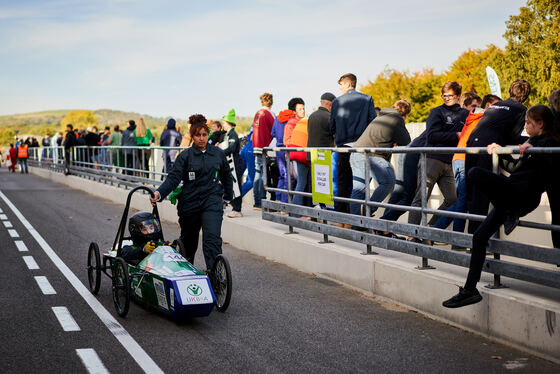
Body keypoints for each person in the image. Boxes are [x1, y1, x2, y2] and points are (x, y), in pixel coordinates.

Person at [443, 105, 560, 308]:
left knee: (475, 173)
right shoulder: (532, 142)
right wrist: (499, 152)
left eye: (529, 123)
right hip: (509, 196)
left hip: (522, 196)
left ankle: (511, 212)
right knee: (479, 237)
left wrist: (535, 153)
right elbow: (515, 168)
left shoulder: (549, 144)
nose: (525, 126)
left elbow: (549, 172)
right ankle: (470, 290)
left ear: (541, 124)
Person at [150, 114, 233, 272]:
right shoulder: (185, 156)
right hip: (190, 202)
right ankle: (186, 272)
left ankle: (215, 276)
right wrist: (159, 193)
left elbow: (227, 176)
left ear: (207, 135)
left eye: (204, 135)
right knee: (189, 241)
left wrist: (228, 197)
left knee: (212, 239)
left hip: (212, 201)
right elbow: (173, 178)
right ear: (193, 136)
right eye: (197, 135)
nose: (201, 138)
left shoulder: (217, 154)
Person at [465, 80, 531, 234]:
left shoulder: (495, 106)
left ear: (510, 91)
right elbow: (513, 138)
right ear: (526, 96)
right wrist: (530, 141)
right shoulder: (521, 110)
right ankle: (476, 237)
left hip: (471, 146)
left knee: (472, 194)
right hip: (488, 148)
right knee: (481, 195)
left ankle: (472, 237)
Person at [432, 94, 501, 237]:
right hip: (464, 158)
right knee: (463, 201)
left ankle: (436, 230)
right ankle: (454, 239)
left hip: (462, 158)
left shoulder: (477, 117)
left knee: (463, 201)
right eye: (496, 106)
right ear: (488, 106)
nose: (498, 110)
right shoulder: (483, 117)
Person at [407, 81, 469, 239]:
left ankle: (431, 227)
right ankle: (412, 234)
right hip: (432, 159)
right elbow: (432, 135)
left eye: (450, 95)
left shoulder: (464, 113)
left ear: (458, 96)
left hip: (450, 162)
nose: (447, 98)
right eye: (444, 95)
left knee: (453, 199)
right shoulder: (437, 112)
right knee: (421, 197)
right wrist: (455, 135)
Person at [349, 100, 412, 219]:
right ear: (406, 114)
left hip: (356, 153)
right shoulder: (397, 118)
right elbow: (406, 141)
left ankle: (356, 223)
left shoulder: (381, 116)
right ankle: (368, 210)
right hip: (373, 156)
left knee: (359, 188)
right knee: (388, 182)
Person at [329, 73, 377, 215]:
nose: (341, 89)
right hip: (362, 145)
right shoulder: (367, 99)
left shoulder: (337, 102)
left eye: (341, 85)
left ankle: (342, 215)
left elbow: (332, 125)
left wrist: (337, 135)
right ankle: (360, 213)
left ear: (348, 84)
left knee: (343, 180)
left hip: (343, 145)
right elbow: (373, 122)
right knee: (361, 181)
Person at [252, 93, 275, 209]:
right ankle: (261, 200)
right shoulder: (268, 113)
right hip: (264, 148)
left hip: (256, 146)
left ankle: (256, 201)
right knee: (263, 174)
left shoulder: (257, 113)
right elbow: (274, 130)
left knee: (257, 173)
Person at [220, 109, 244, 218]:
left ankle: (237, 209)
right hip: (230, 163)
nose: (223, 125)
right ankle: (234, 206)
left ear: (229, 123)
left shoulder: (233, 134)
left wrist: (219, 152)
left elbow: (232, 148)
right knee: (231, 186)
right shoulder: (227, 134)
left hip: (235, 163)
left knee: (236, 186)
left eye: (224, 123)